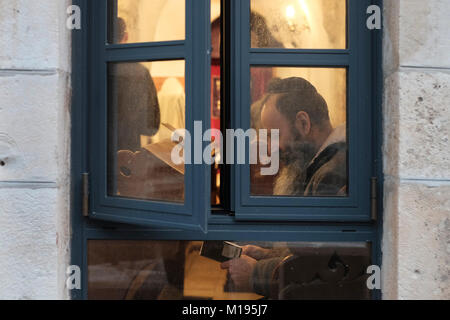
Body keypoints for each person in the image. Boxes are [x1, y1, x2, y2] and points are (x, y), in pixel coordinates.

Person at [221, 77, 348, 295]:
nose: (270, 148)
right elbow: (311, 250)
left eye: (273, 135)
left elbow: (320, 267)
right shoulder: (324, 165)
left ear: (303, 123)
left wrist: (255, 273)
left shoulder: (329, 176)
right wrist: (266, 255)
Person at [110, 17, 160, 152]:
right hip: (127, 155)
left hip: (93, 155)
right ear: (125, 37)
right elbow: (151, 126)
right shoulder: (140, 73)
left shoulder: (89, 69)